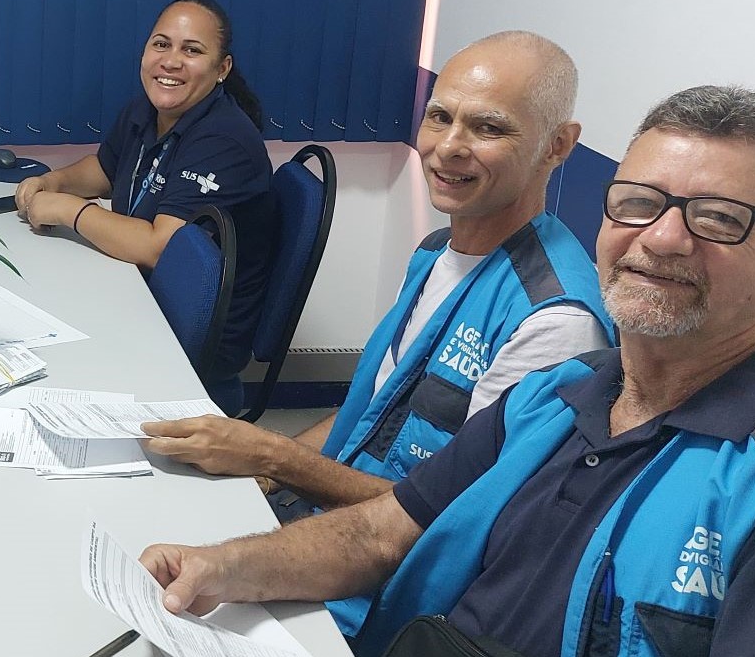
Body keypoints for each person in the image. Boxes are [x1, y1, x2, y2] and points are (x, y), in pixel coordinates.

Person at [140, 85, 755, 657]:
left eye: (719, 219)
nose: (661, 237)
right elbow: (383, 529)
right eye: (638, 202)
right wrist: (224, 566)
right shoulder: (559, 393)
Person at [141, 31, 614, 518]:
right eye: (439, 117)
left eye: (489, 128)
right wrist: (262, 474)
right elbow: (368, 413)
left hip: (389, 568)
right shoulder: (436, 253)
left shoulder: (553, 323)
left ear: (557, 145)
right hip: (337, 512)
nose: (449, 146)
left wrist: (272, 456)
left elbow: (457, 519)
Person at [13, 0, 278, 404]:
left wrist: (68, 210)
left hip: (185, 332)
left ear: (221, 68)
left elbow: (160, 246)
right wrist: (56, 180)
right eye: (161, 44)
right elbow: (106, 170)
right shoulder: (150, 111)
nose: (171, 61)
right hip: (139, 293)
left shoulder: (224, 141)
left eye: (192, 50)